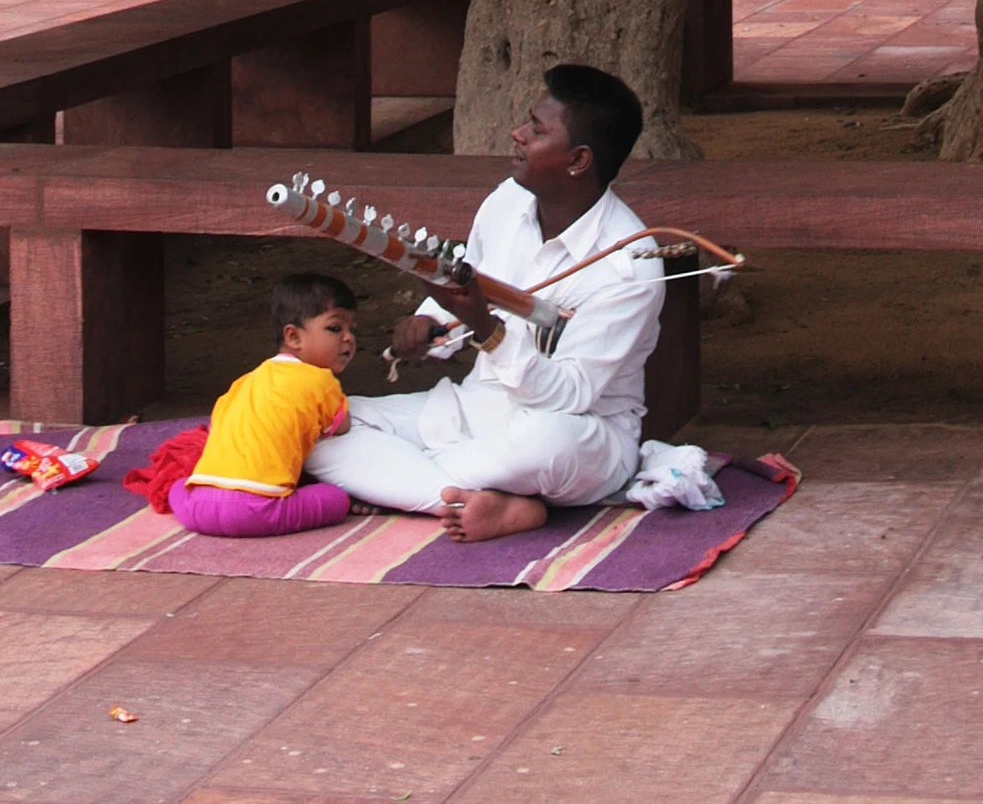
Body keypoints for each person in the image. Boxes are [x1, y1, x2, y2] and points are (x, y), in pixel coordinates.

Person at [306, 62, 664, 544]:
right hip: (477, 408)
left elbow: (570, 396)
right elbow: (469, 283)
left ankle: (410, 483)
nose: (517, 134)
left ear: (578, 160)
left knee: (546, 441)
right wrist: (429, 320)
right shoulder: (508, 200)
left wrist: (484, 326)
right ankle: (485, 500)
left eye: (536, 130)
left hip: (576, 433)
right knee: (320, 429)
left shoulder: (630, 266)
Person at [170, 271, 358, 538]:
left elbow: (216, 428)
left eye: (352, 329)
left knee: (177, 486)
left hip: (197, 507)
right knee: (336, 498)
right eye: (335, 328)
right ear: (294, 337)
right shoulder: (321, 381)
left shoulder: (244, 381)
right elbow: (341, 427)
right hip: (259, 510)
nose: (349, 338)